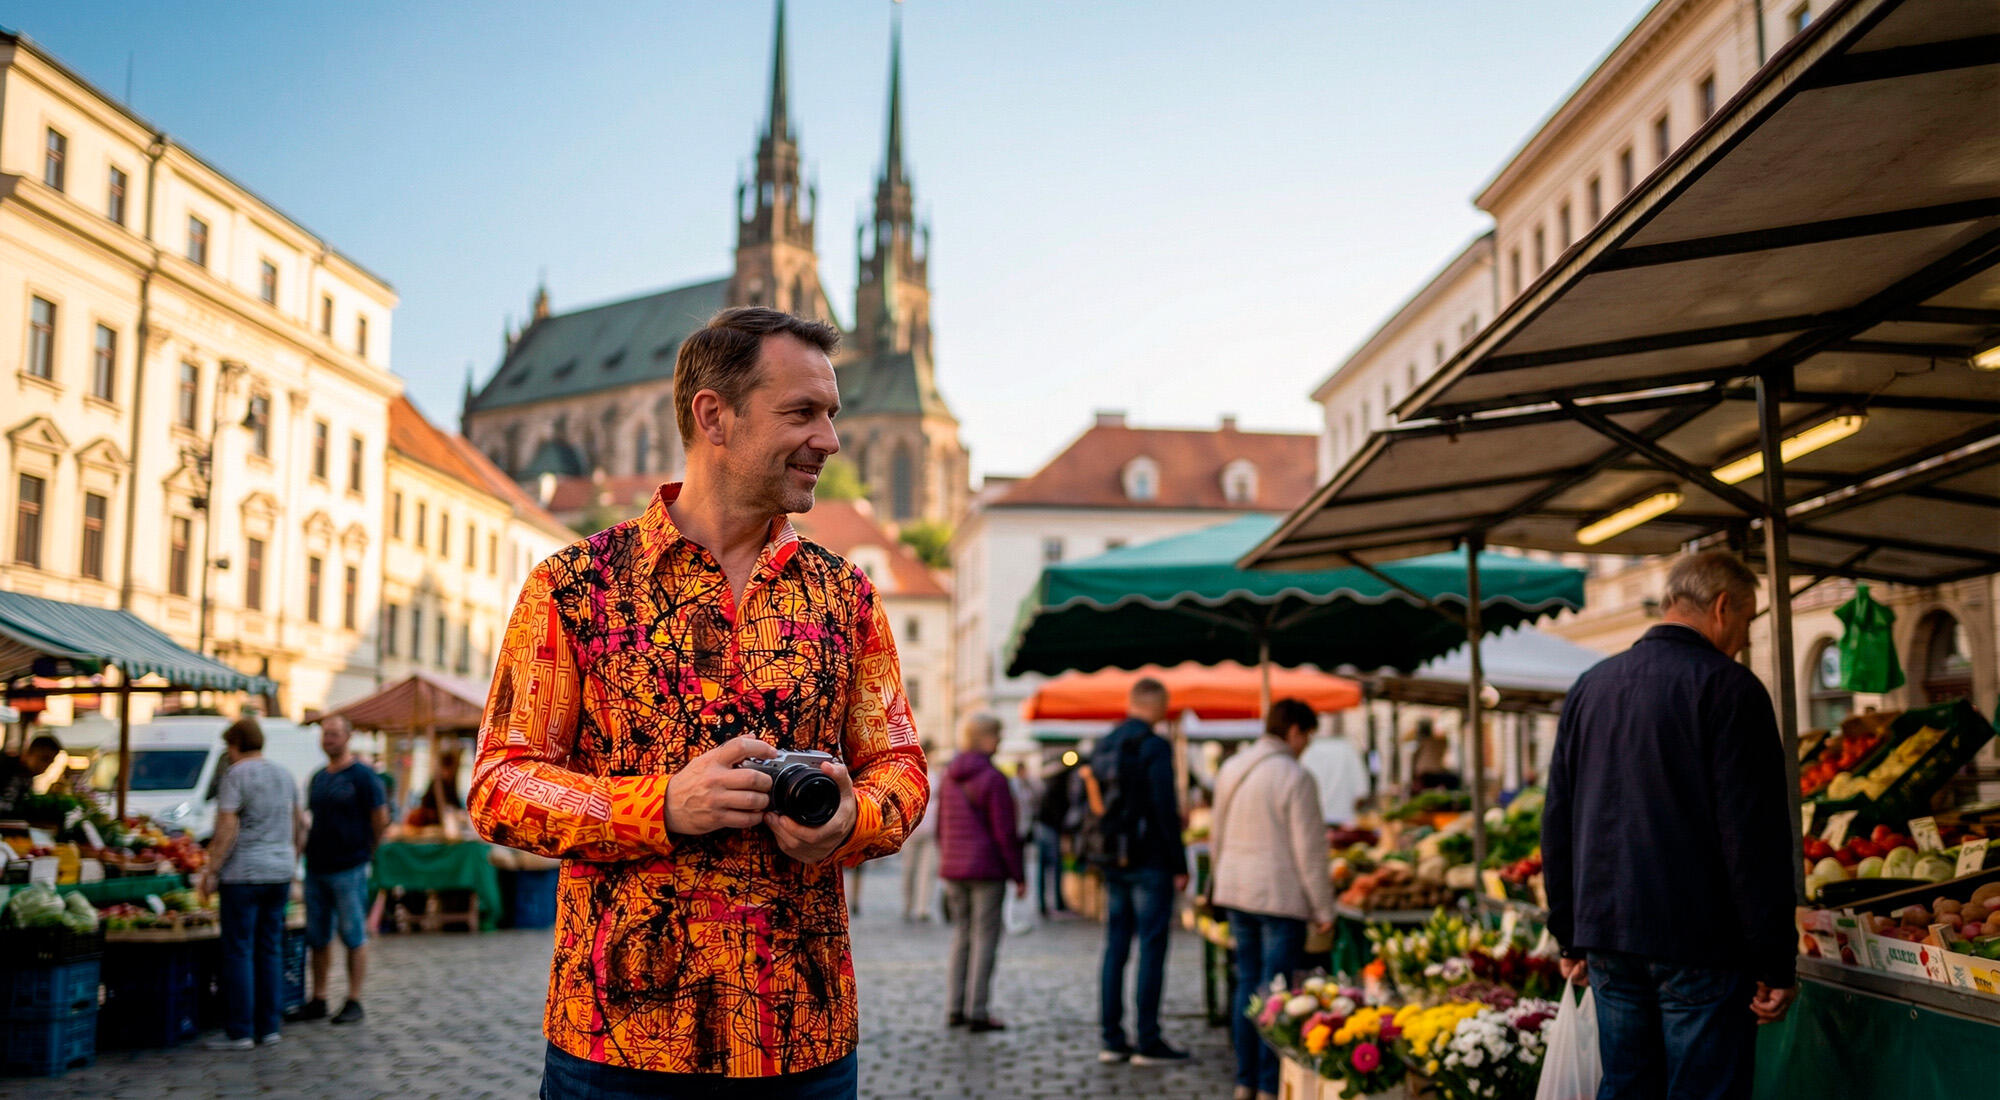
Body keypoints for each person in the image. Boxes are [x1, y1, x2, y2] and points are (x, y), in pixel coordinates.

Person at [470, 306, 929, 1099]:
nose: (831, 440)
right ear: (713, 416)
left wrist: (855, 817)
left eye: (832, 414)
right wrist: (663, 806)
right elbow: (499, 783)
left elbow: (901, 765)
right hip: (619, 1046)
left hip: (801, 1040)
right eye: (802, 413)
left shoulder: (845, 595)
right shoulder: (574, 585)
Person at [1542, 550, 1797, 1099]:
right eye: (1748, 622)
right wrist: (1776, 961)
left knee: (1627, 1088)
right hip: (1698, 943)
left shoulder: (1590, 687)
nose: (1744, 639)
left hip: (1608, 936)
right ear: (1723, 607)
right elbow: (1753, 838)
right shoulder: (1730, 687)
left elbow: (1558, 819)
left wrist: (1569, 932)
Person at [1211, 699, 1339, 1100]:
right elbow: (1310, 851)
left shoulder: (1233, 767)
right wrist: (1324, 907)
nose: (1307, 745)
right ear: (1295, 731)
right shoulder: (1295, 776)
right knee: (1276, 993)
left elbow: (1216, 834)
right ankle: (1268, 1085)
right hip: (1278, 896)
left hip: (1236, 891)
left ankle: (1244, 1080)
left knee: (1246, 984)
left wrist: (1218, 881)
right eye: (1308, 736)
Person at [1089, 677, 1191, 1066]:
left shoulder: (1105, 743)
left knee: (1115, 946)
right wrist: (1179, 864)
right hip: (1150, 860)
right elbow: (1165, 809)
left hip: (1113, 857)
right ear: (1160, 705)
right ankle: (1148, 1039)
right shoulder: (1154, 745)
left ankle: (1111, 1039)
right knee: (1151, 946)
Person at [199, 716, 306, 1050]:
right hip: (279, 873)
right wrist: (290, 861)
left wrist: (211, 870)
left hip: (243, 874)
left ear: (234, 745)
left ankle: (241, 1031)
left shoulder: (235, 775)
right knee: (270, 948)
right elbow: (300, 825)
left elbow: (227, 827)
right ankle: (270, 1027)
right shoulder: (284, 773)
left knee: (239, 951)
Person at [294, 715, 388, 1025]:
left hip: (350, 867)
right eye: (325, 734)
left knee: (353, 934)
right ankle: (319, 998)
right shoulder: (318, 777)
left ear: (347, 737)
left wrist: (369, 853)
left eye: (334, 734)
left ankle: (354, 999)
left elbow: (379, 818)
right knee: (317, 937)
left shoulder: (363, 776)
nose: (328, 739)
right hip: (317, 867)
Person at [936, 715, 1025, 1032]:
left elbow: (941, 826)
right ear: (986, 739)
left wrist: (945, 860)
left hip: (954, 868)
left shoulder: (949, 775)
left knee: (962, 936)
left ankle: (955, 1007)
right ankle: (978, 1009)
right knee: (985, 938)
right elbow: (1005, 833)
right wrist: (1018, 874)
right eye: (998, 735)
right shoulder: (993, 778)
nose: (1000, 741)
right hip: (987, 869)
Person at [1298, 718, 1369, 827]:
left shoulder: (1308, 751)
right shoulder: (1349, 748)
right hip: (1344, 821)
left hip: (1314, 821)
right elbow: (1361, 792)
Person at [901, 746, 942, 922]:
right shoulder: (911, 773)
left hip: (931, 829)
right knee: (910, 869)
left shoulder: (936, 775)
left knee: (928, 870)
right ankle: (909, 904)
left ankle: (922, 907)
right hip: (912, 829)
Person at [1032, 755, 1074, 916]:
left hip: (1044, 825)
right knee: (1054, 866)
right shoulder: (1061, 782)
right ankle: (1055, 902)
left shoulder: (1054, 779)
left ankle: (1046, 903)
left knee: (1045, 867)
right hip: (1050, 827)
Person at [0, 733, 61, 816]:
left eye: (50, 762)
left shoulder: (27, 777)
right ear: (29, 753)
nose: (46, 766)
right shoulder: (5, 766)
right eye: (44, 759)